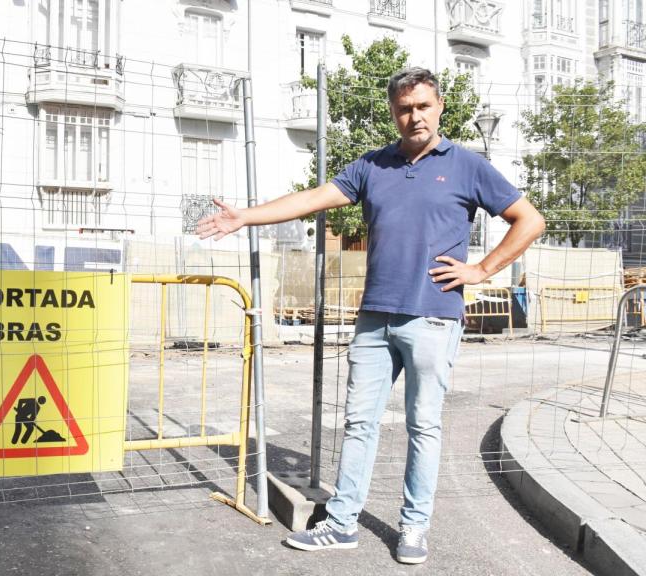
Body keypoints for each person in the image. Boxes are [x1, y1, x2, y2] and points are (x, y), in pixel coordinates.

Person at [196, 67, 544, 565]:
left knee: (423, 426)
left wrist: (483, 269)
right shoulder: (372, 166)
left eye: (423, 106)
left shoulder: (467, 166)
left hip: (432, 317)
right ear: (393, 113)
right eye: (405, 108)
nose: (415, 116)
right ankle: (341, 525)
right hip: (374, 318)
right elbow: (312, 199)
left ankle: (414, 528)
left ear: (439, 106)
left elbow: (529, 219)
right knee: (359, 423)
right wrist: (244, 217)